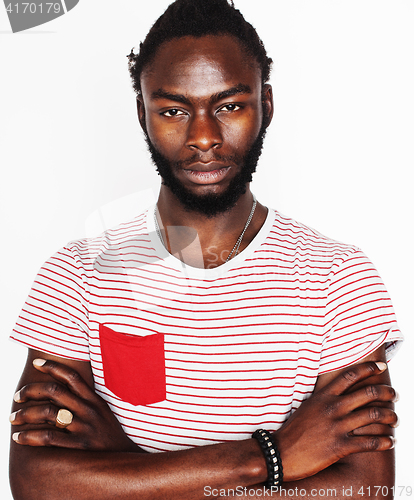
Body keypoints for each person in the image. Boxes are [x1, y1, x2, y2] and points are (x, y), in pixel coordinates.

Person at [9, 0, 402, 498]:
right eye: (173, 110)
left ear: (267, 105)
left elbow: (363, 490)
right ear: (142, 114)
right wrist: (272, 456)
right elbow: (37, 484)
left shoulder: (338, 280)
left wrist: (126, 470)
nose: (203, 137)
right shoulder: (77, 276)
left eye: (229, 106)